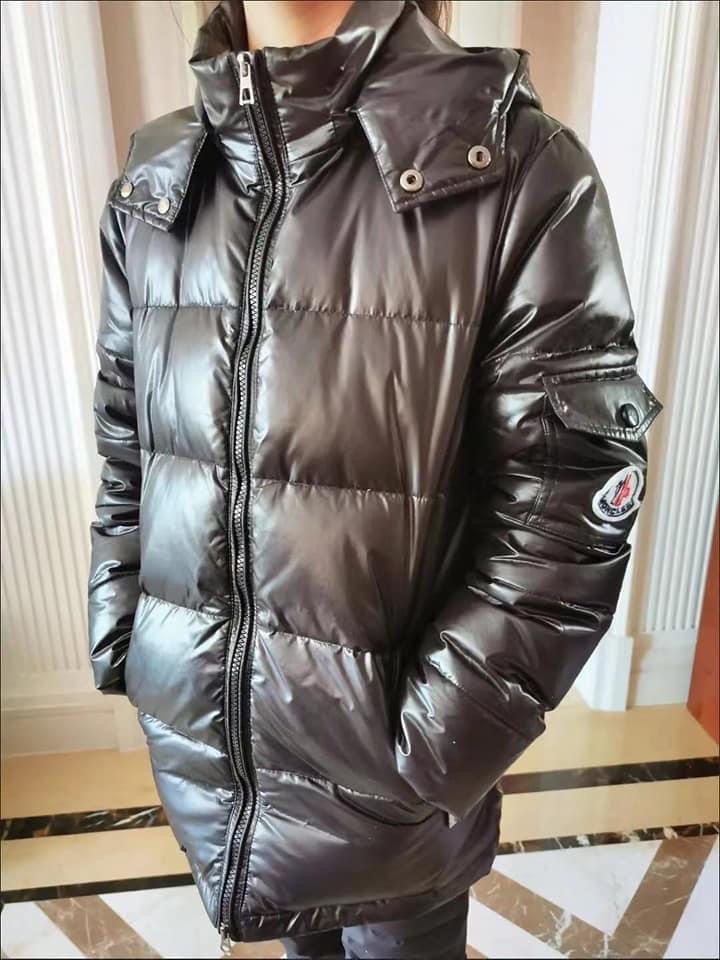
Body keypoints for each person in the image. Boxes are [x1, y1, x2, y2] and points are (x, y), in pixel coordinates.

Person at [86, 1, 662, 957]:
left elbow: (569, 503)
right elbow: (126, 438)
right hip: (213, 752)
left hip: (400, 782)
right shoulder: (158, 180)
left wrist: (433, 745)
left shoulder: (514, 168)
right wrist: (126, 634)